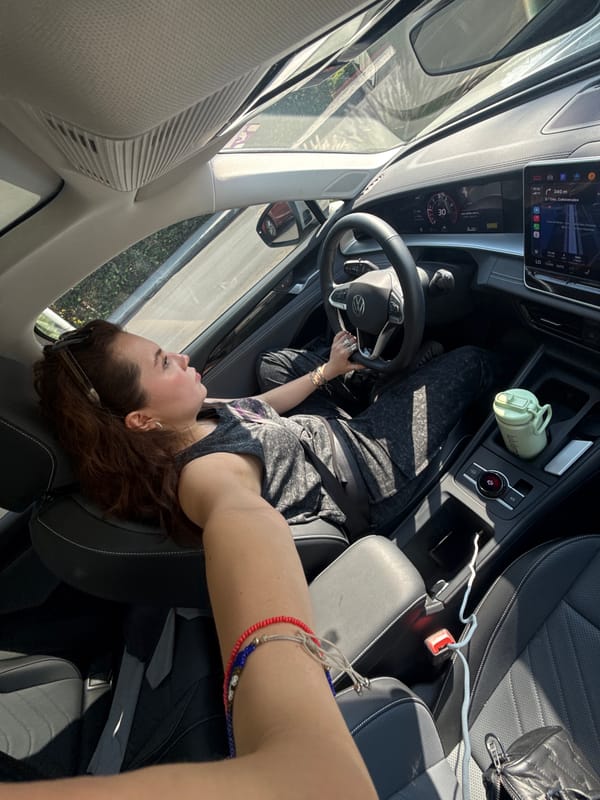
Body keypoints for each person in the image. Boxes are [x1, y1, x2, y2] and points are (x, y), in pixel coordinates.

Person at [33, 320, 496, 543]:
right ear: (141, 419)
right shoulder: (209, 475)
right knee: (473, 358)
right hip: (366, 468)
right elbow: (243, 536)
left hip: (310, 438)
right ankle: (399, 382)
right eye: (163, 363)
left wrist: (328, 373)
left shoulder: (179, 426)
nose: (182, 357)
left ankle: (380, 378)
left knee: (273, 365)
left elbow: (259, 408)